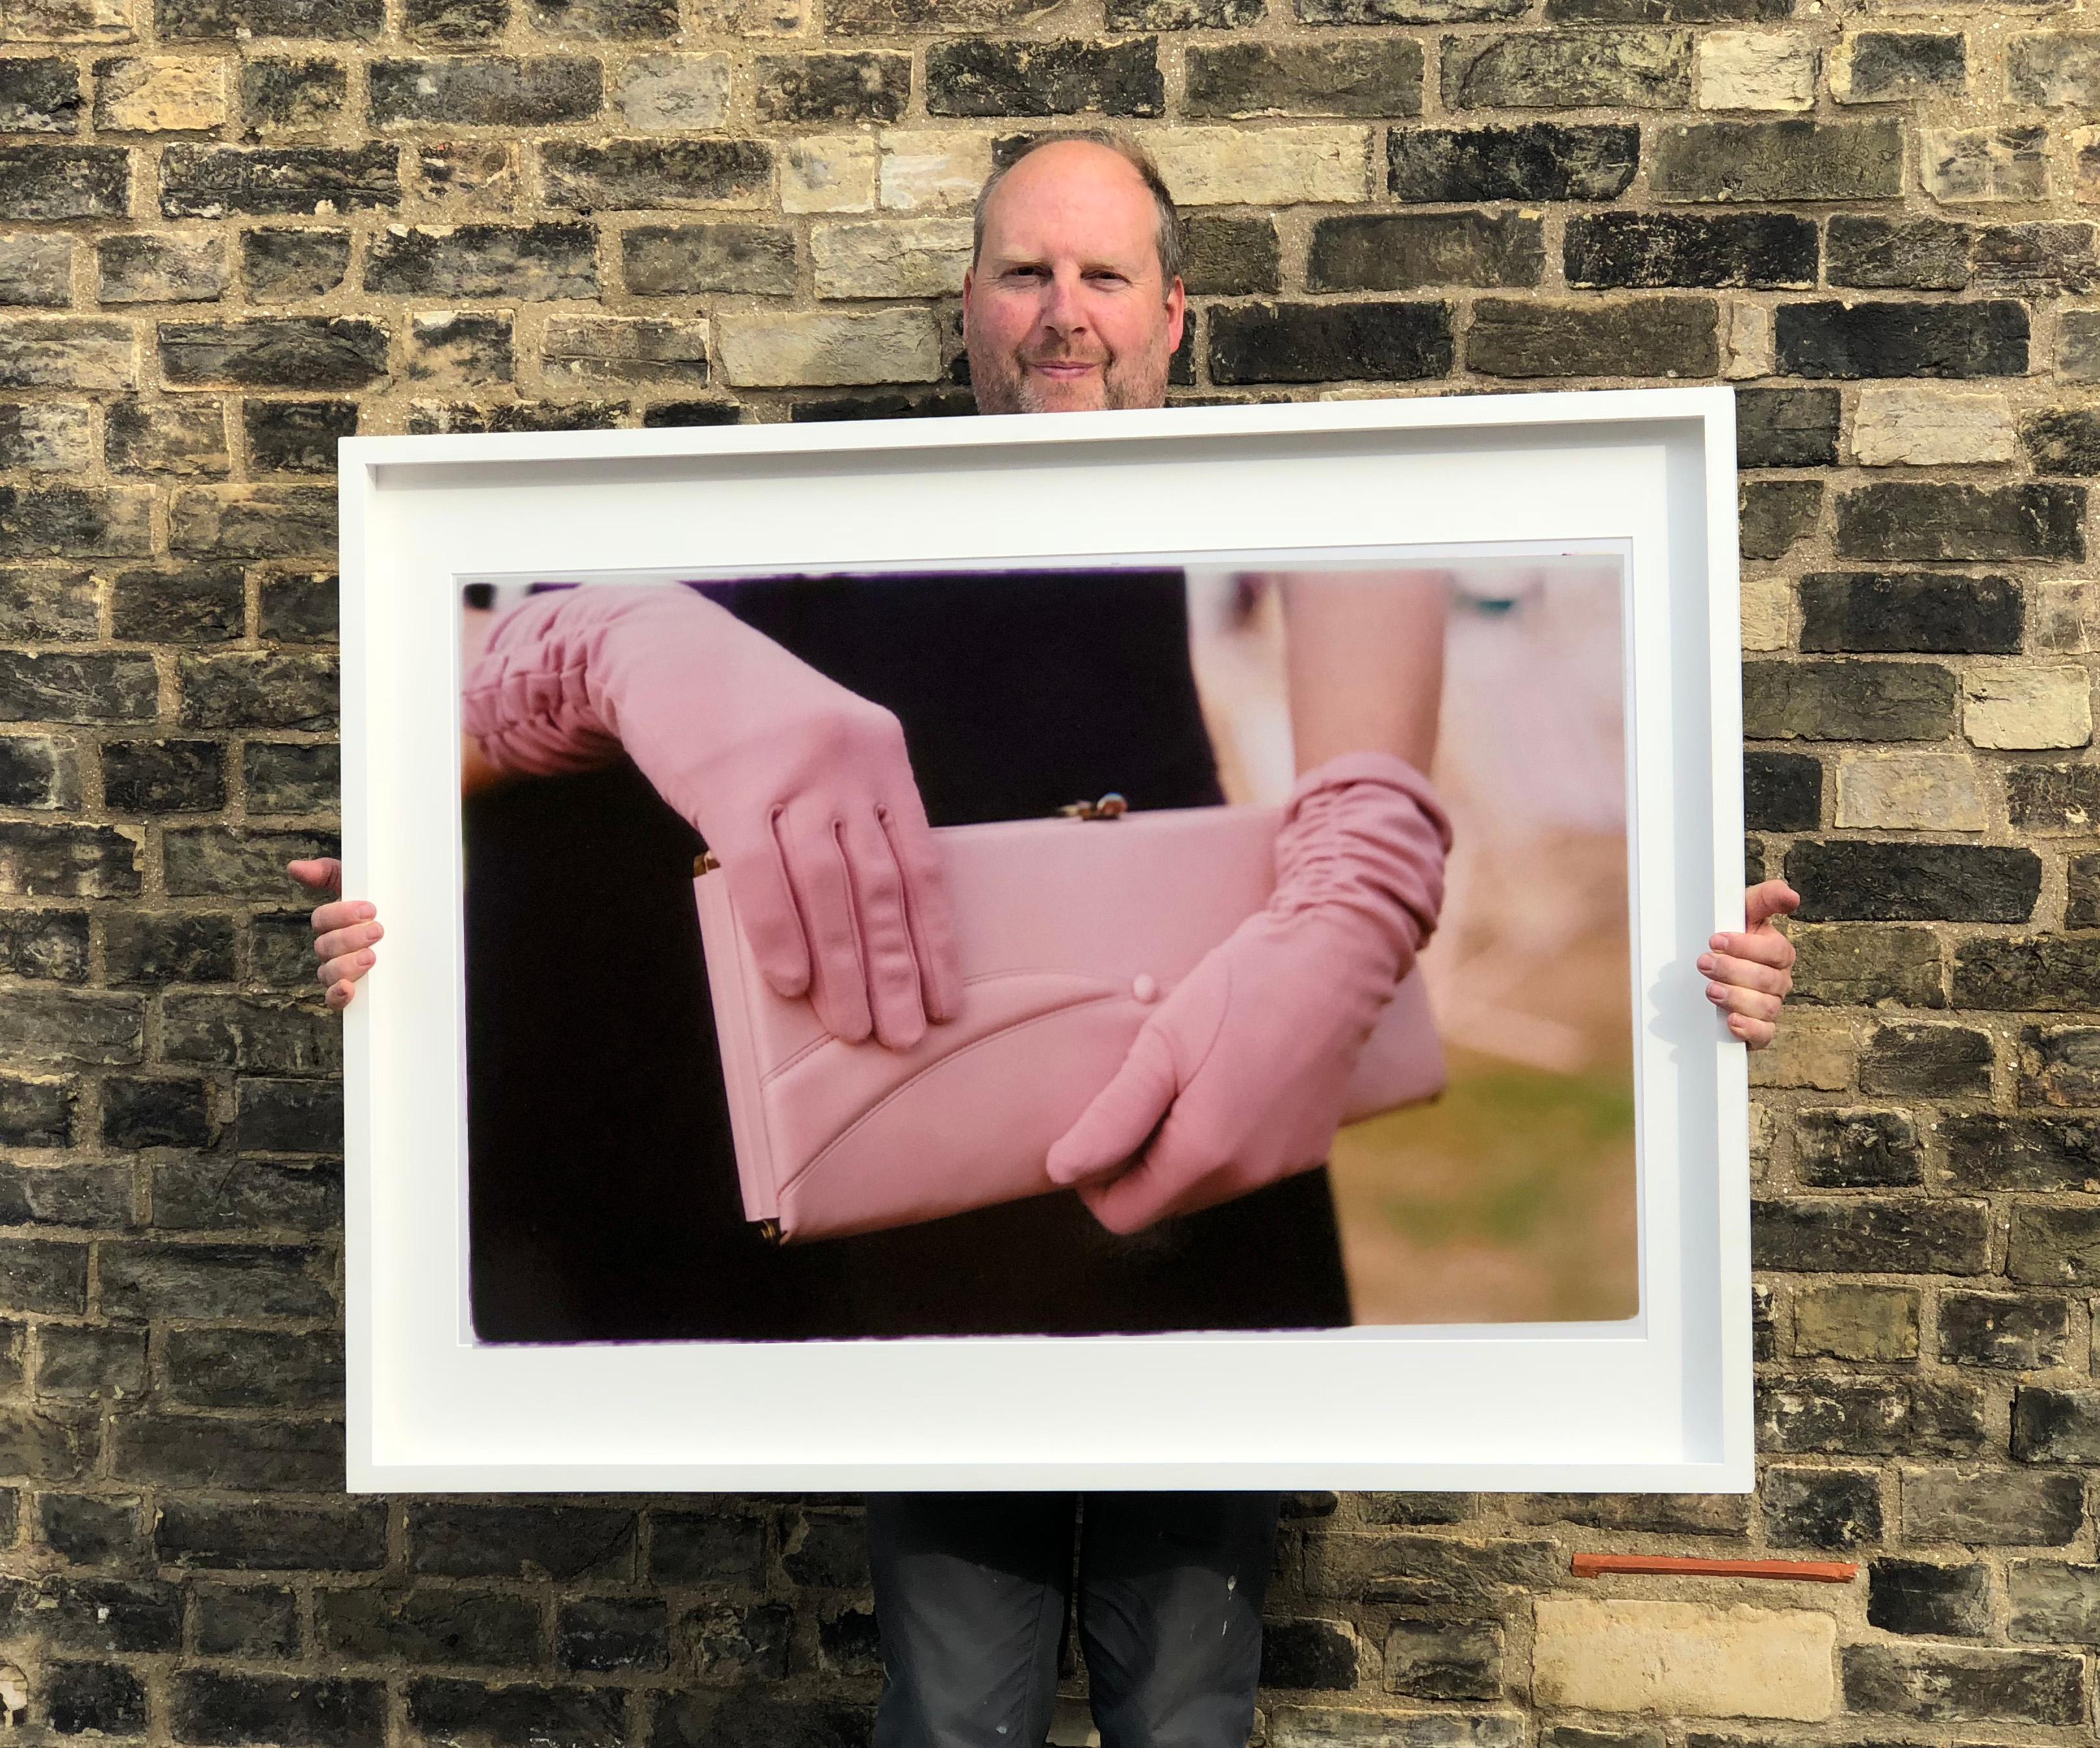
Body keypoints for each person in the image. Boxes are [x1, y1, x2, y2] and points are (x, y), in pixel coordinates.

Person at [293, 133, 1802, 1748]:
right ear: (966, 307)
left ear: (1174, 313)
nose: (1061, 314)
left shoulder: (1317, 485)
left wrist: (1550, 933)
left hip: (1212, 1055)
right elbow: (436, 688)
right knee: (950, 1699)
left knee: (1187, 1693)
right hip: (884, 1122)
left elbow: (1382, 567)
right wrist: (569, 675)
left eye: (1101, 277)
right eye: (1024, 273)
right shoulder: (781, 497)